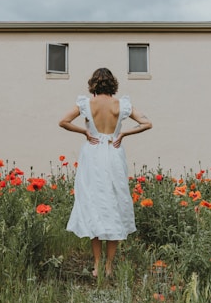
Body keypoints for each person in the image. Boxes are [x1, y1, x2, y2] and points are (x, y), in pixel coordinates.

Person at [59, 68, 152, 277]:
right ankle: (109, 266)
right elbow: (147, 123)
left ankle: (97, 265)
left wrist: (85, 131)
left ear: (93, 84)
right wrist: (124, 133)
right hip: (113, 151)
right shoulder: (121, 105)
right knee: (114, 205)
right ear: (113, 84)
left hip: (92, 154)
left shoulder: (85, 104)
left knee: (93, 205)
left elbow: (63, 121)